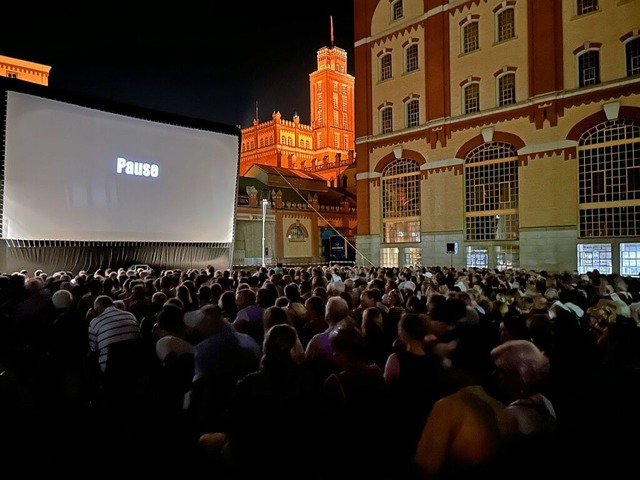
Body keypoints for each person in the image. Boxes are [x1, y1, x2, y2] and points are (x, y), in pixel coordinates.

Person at [198, 324, 320, 480]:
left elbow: (230, 420)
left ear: (265, 347)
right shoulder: (308, 379)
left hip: (251, 455)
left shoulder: (249, 383)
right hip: (293, 453)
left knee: (205, 442)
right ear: (294, 348)